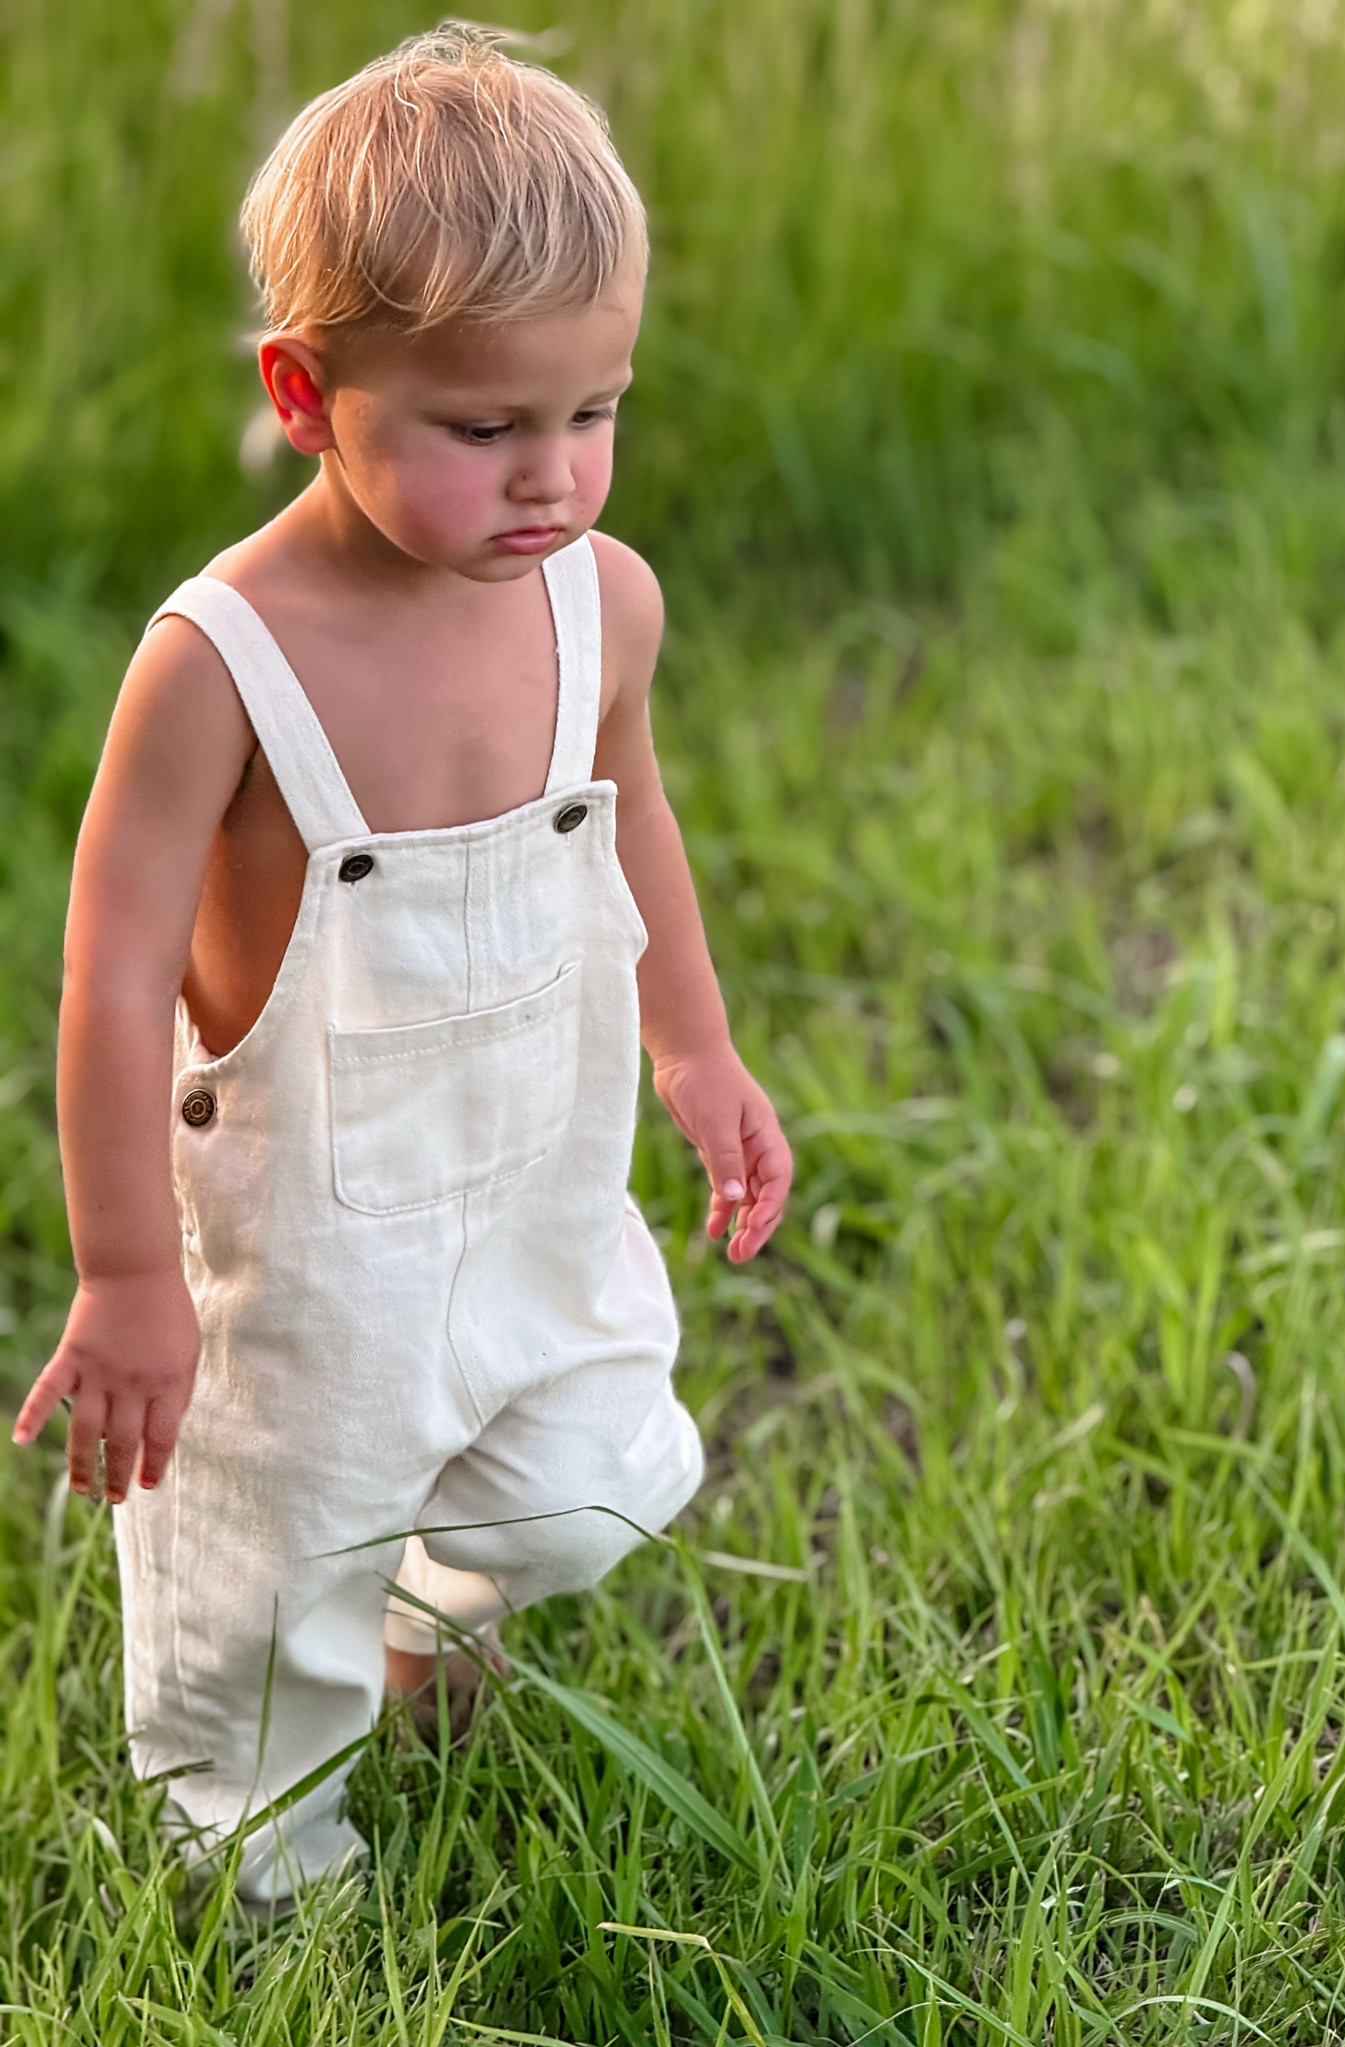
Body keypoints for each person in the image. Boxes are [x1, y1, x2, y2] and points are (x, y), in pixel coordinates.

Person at [11, 24, 792, 1905]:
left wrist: (695, 1048)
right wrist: (130, 1272)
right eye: (483, 428)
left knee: (592, 1457)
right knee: (275, 1551)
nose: (555, 477)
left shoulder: (602, 599)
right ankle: (259, 1857)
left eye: (594, 412)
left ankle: (436, 1614)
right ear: (305, 391)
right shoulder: (220, 662)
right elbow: (113, 973)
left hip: (529, 1153)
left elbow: (632, 814)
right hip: (317, 1216)